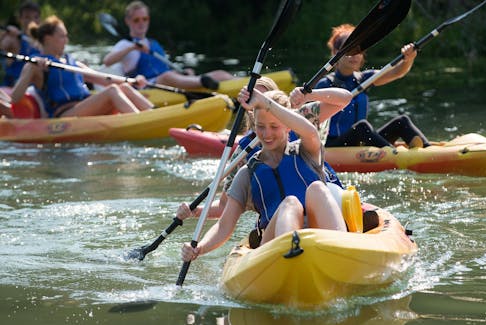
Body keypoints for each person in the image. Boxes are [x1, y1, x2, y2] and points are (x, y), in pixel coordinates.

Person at [180, 87, 348, 261]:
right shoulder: (247, 173)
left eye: (274, 126)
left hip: (319, 235)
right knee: (290, 203)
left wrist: (264, 101)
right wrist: (199, 248)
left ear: (288, 127)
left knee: (318, 188)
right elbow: (224, 226)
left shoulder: (306, 151)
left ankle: (342, 250)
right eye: (261, 127)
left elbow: (311, 132)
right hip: (273, 245)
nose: (267, 134)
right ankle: (291, 255)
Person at [176, 77, 352, 221]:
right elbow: (225, 206)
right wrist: (195, 211)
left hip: (328, 200)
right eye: (255, 98)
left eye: (265, 98)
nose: (260, 103)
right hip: (284, 218)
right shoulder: (244, 151)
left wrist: (309, 95)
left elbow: (344, 98)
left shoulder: (303, 116)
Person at [10, 15, 154, 118]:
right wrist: (30, 66)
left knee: (124, 88)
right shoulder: (35, 65)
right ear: (48, 39)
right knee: (112, 91)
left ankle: (155, 113)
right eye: (62, 36)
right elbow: (15, 99)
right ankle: (143, 120)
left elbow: (105, 79)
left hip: (85, 107)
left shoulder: (73, 64)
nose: (66, 41)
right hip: (65, 114)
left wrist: (133, 81)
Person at [316, 23, 430, 148]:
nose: (355, 55)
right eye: (349, 49)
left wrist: (409, 58)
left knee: (402, 122)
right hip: (333, 145)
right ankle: (393, 155)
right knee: (361, 127)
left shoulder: (364, 79)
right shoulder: (325, 85)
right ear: (335, 53)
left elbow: (397, 72)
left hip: (362, 139)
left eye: (358, 50)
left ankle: (428, 150)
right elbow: (310, 120)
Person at [103, 1, 234, 91]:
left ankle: (244, 84)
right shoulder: (125, 44)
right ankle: (202, 83)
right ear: (128, 21)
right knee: (167, 77)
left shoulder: (153, 43)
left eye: (145, 19)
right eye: (136, 20)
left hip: (168, 80)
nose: (141, 23)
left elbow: (165, 68)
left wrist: (182, 73)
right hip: (147, 86)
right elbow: (107, 61)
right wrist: (132, 47)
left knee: (219, 73)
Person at [0, 1, 41, 87]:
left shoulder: (43, 41)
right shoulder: (12, 38)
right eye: (27, 17)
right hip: (13, 88)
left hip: (35, 90)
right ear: (20, 19)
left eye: (35, 17)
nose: (32, 21)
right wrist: (3, 34)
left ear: (40, 19)